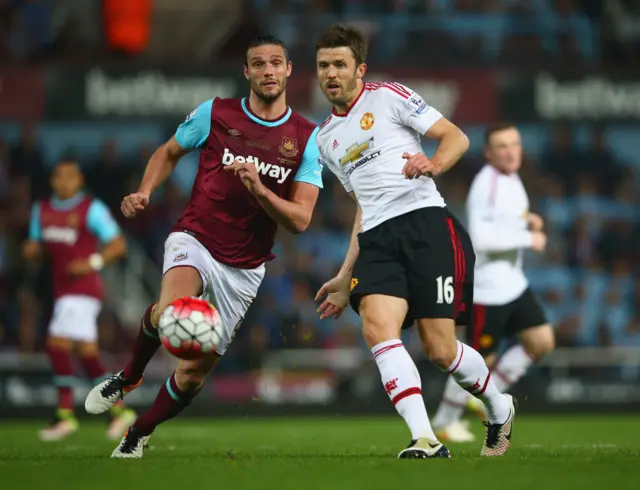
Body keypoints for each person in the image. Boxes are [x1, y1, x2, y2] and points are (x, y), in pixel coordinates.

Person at [84, 35, 324, 458]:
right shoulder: (216, 112)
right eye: (258, 64)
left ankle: (138, 433)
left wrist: (261, 191)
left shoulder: (307, 138)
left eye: (275, 63)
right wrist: (145, 191)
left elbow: (301, 220)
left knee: (192, 376)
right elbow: (170, 150)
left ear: (288, 70)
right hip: (195, 237)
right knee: (170, 312)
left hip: (245, 267)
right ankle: (129, 376)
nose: (267, 70)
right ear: (246, 72)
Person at [313, 25, 516, 459]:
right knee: (376, 327)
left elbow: (455, 136)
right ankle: (425, 438)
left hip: (427, 226)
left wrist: (433, 162)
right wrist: (344, 274)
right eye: (323, 65)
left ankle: (500, 406)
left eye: (340, 64)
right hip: (378, 240)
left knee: (441, 350)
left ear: (359, 69)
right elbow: (362, 206)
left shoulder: (389, 95)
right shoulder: (324, 138)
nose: (331, 73)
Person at [432, 123, 555, 442]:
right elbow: (481, 239)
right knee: (474, 359)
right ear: (488, 153)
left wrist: (527, 220)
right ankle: (445, 420)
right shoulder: (487, 185)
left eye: (514, 144)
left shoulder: (511, 178)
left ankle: (487, 395)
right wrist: (528, 237)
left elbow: (503, 221)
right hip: (488, 290)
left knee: (540, 341)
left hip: (513, 283)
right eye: (502, 146)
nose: (511, 151)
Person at [22, 159, 133, 441]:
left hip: (83, 289)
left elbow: (118, 245)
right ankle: (119, 411)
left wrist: (92, 262)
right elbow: (37, 244)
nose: (64, 182)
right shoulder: (42, 210)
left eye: (70, 177)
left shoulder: (90, 209)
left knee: (56, 343)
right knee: (86, 354)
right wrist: (32, 250)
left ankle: (64, 415)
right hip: (59, 290)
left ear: (80, 180)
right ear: (52, 181)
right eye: (59, 177)